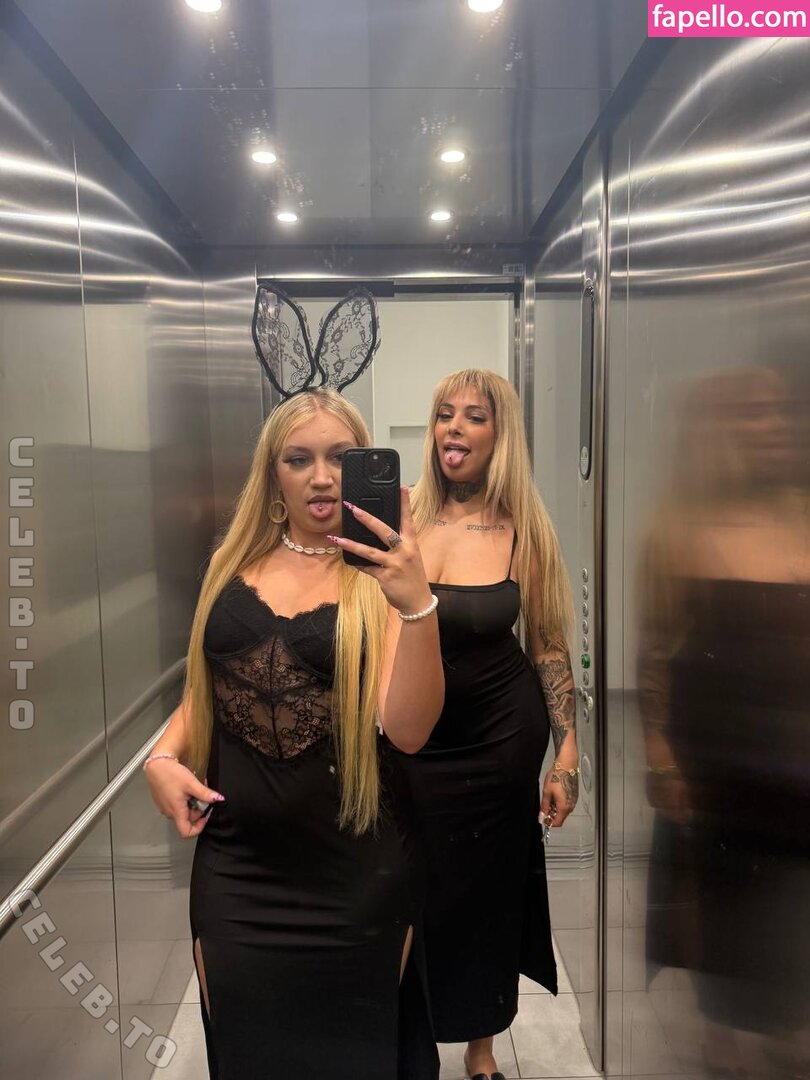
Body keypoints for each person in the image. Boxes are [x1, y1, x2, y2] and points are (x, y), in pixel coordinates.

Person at [144, 388, 444, 1080]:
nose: (322, 476)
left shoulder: (382, 579)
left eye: (341, 457)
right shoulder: (231, 565)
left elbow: (409, 731)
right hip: (237, 874)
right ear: (273, 475)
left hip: (356, 876)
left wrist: (418, 605)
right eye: (299, 459)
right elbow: (207, 693)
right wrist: (161, 756)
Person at [401, 368, 579, 1080]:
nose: (455, 428)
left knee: (487, 892)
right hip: (412, 740)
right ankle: (411, 1041)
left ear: (500, 436)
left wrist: (566, 756)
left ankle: (481, 1050)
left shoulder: (522, 529)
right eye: (445, 413)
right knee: (412, 885)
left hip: (502, 740)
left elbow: (548, 644)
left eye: (475, 416)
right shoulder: (403, 519)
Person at [638, 366, 810, 1078]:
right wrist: (662, 758)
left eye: (777, 411)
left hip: (793, 753)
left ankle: (783, 1025)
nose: (769, 427)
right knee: (720, 900)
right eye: (749, 413)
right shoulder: (680, 529)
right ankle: (724, 1034)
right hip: (715, 760)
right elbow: (654, 654)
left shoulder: (801, 518)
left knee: (789, 905)